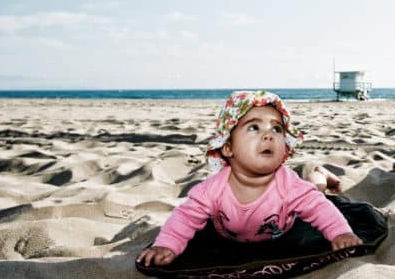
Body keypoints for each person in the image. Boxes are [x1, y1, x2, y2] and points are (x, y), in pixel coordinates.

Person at [137, 90, 362, 267]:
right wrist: (166, 245)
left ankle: (321, 173)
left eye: (276, 129)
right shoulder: (212, 189)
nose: (268, 134)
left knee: (316, 189)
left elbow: (319, 208)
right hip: (231, 235)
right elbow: (185, 217)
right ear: (227, 148)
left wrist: (341, 232)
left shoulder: (289, 185)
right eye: (254, 127)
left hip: (287, 226)